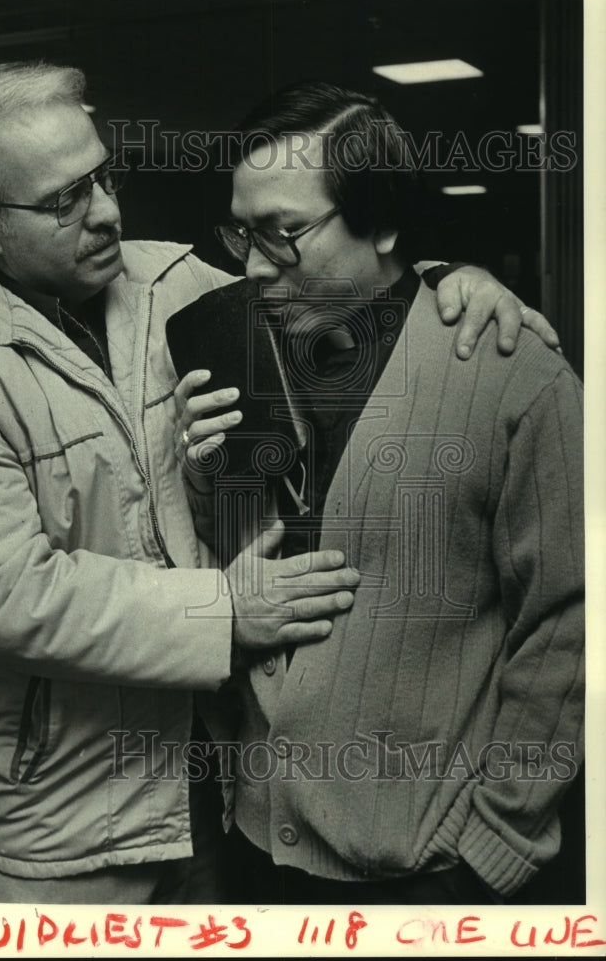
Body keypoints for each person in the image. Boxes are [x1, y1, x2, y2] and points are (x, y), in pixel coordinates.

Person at [0, 61, 557, 906]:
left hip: (220, 786)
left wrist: (454, 282)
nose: (107, 212)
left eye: (103, 175)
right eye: (64, 200)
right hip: (61, 822)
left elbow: (329, 280)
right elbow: (2, 596)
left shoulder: (180, 284)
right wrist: (228, 612)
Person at [176, 82, 584, 905]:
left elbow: (568, 625)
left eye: (284, 234)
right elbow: (248, 578)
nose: (255, 267)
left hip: (428, 869)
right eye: (242, 233)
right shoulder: (237, 352)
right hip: (258, 841)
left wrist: (498, 842)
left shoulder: (516, 374)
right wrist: (199, 475)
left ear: (384, 222)